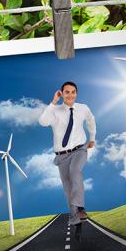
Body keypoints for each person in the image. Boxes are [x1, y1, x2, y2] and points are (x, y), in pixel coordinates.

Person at [39, 81, 96, 230]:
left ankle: (81, 208)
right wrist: (53, 102)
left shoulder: (83, 109)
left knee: (75, 171)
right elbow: (42, 122)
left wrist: (92, 138)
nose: (70, 95)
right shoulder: (55, 111)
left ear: (76, 93)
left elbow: (91, 120)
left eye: (73, 92)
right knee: (67, 186)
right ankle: (74, 216)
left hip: (80, 149)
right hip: (61, 155)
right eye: (67, 92)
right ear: (62, 94)